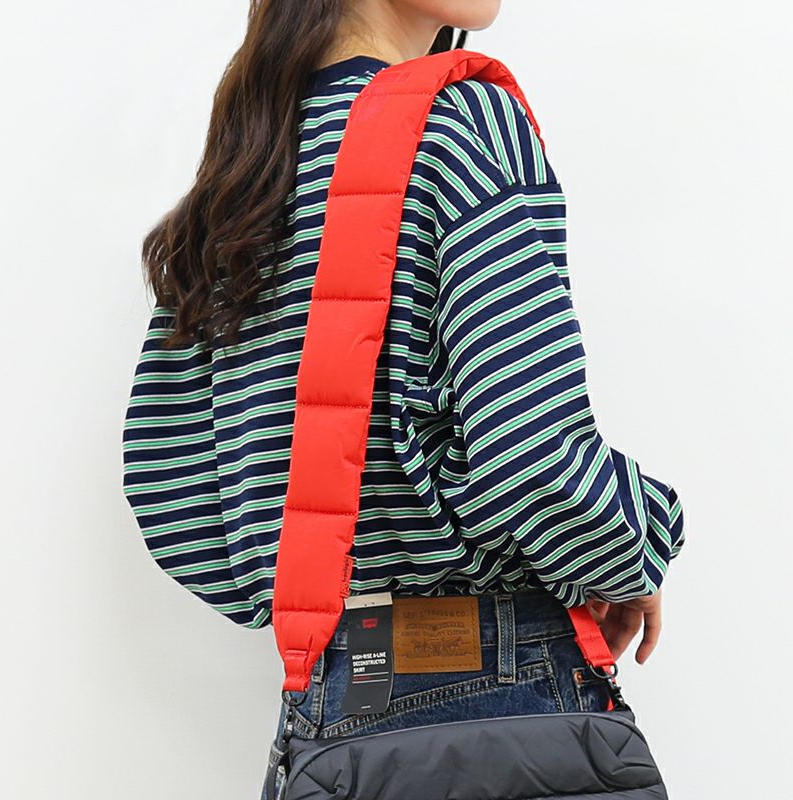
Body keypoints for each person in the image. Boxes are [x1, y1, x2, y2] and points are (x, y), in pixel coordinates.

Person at [122, 0, 685, 793]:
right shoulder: (460, 125)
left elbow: (172, 495)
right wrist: (630, 552)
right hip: (508, 700)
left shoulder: (249, 164)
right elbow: (533, 456)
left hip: (326, 711)